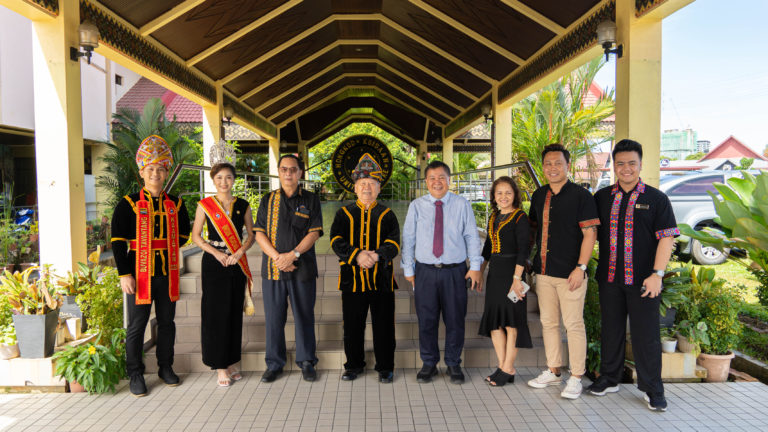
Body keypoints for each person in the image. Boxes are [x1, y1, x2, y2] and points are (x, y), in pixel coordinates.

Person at [588, 139, 678, 412]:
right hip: (610, 278)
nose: (626, 169)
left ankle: (653, 389)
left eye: (632, 163)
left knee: (646, 335)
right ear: (614, 166)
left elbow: (666, 239)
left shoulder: (656, 199)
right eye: (620, 163)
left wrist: (657, 274)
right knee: (611, 331)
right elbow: (588, 233)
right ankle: (609, 378)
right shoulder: (602, 198)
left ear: (641, 164)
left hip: (644, 282)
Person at [111, 135, 191, 397]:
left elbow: (183, 235)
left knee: (167, 322)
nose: (156, 174)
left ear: (166, 172)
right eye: (150, 169)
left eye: (160, 169)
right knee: (137, 325)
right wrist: (124, 273)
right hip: (138, 274)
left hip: (166, 274)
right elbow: (118, 241)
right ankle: (135, 372)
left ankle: (165, 367)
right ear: (142, 173)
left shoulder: (176, 204)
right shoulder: (128, 204)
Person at [526, 143, 599, 400]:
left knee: (573, 325)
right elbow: (532, 230)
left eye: (558, 163)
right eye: (548, 163)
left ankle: (576, 377)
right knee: (549, 323)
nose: (553, 168)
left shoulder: (582, 196)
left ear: (568, 165)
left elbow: (590, 234)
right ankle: (554, 370)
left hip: (571, 275)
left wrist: (581, 268)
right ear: (543, 167)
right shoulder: (539, 195)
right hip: (544, 273)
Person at [401, 160, 483, 384]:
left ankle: (453, 363)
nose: (437, 182)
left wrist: (475, 266)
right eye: (432, 178)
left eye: (441, 178)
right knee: (426, 320)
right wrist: (408, 268)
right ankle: (429, 363)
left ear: (449, 180)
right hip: (425, 271)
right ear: (426, 182)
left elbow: (471, 237)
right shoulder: (416, 206)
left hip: (455, 272)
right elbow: (408, 238)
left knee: (455, 319)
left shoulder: (462, 204)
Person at [330, 154, 400, 383]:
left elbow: (394, 243)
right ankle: (353, 365)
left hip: (382, 280)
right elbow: (335, 240)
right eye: (362, 184)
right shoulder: (343, 213)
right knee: (352, 326)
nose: (367, 187)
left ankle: (385, 367)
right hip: (352, 280)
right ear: (355, 188)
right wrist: (357, 255)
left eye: (371, 184)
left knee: (384, 327)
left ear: (379, 188)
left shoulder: (388, 215)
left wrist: (376, 255)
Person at [254, 154, 323, 383]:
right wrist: (278, 258)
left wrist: (293, 254)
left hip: (302, 269)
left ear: (300, 173)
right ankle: (274, 364)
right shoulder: (267, 199)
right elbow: (259, 233)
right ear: (279, 171)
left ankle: (306, 361)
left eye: (293, 170)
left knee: (304, 316)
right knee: (274, 318)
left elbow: (314, 233)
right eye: (284, 169)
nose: (288, 173)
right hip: (273, 269)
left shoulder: (311, 199)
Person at [191, 162, 255, 387]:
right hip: (214, 262)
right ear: (213, 180)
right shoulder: (205, 206)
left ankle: (231, 361)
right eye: (219, 178)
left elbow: (251, 235)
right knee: (215, 314)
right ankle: (219, 366)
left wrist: (239, 253)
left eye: (228, 177)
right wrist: (216, 253)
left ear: (234, 179)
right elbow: (196, 236)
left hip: (236, 262)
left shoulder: (243, 205)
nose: (224, 182)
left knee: (232, 313)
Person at [478, 176, 532, 387]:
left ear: (515, 195)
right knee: (495, 323)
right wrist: (480, 272)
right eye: (499, 193)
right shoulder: (493, 217)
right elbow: (487, 249)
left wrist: (517, 279)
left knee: (511, 322)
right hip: (495, 274)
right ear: (493, 196)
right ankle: (504, 368)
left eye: (508, 193)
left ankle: (508, 367)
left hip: (513, 274)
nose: (503, 197)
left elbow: (523, 250)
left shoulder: (520, 217)